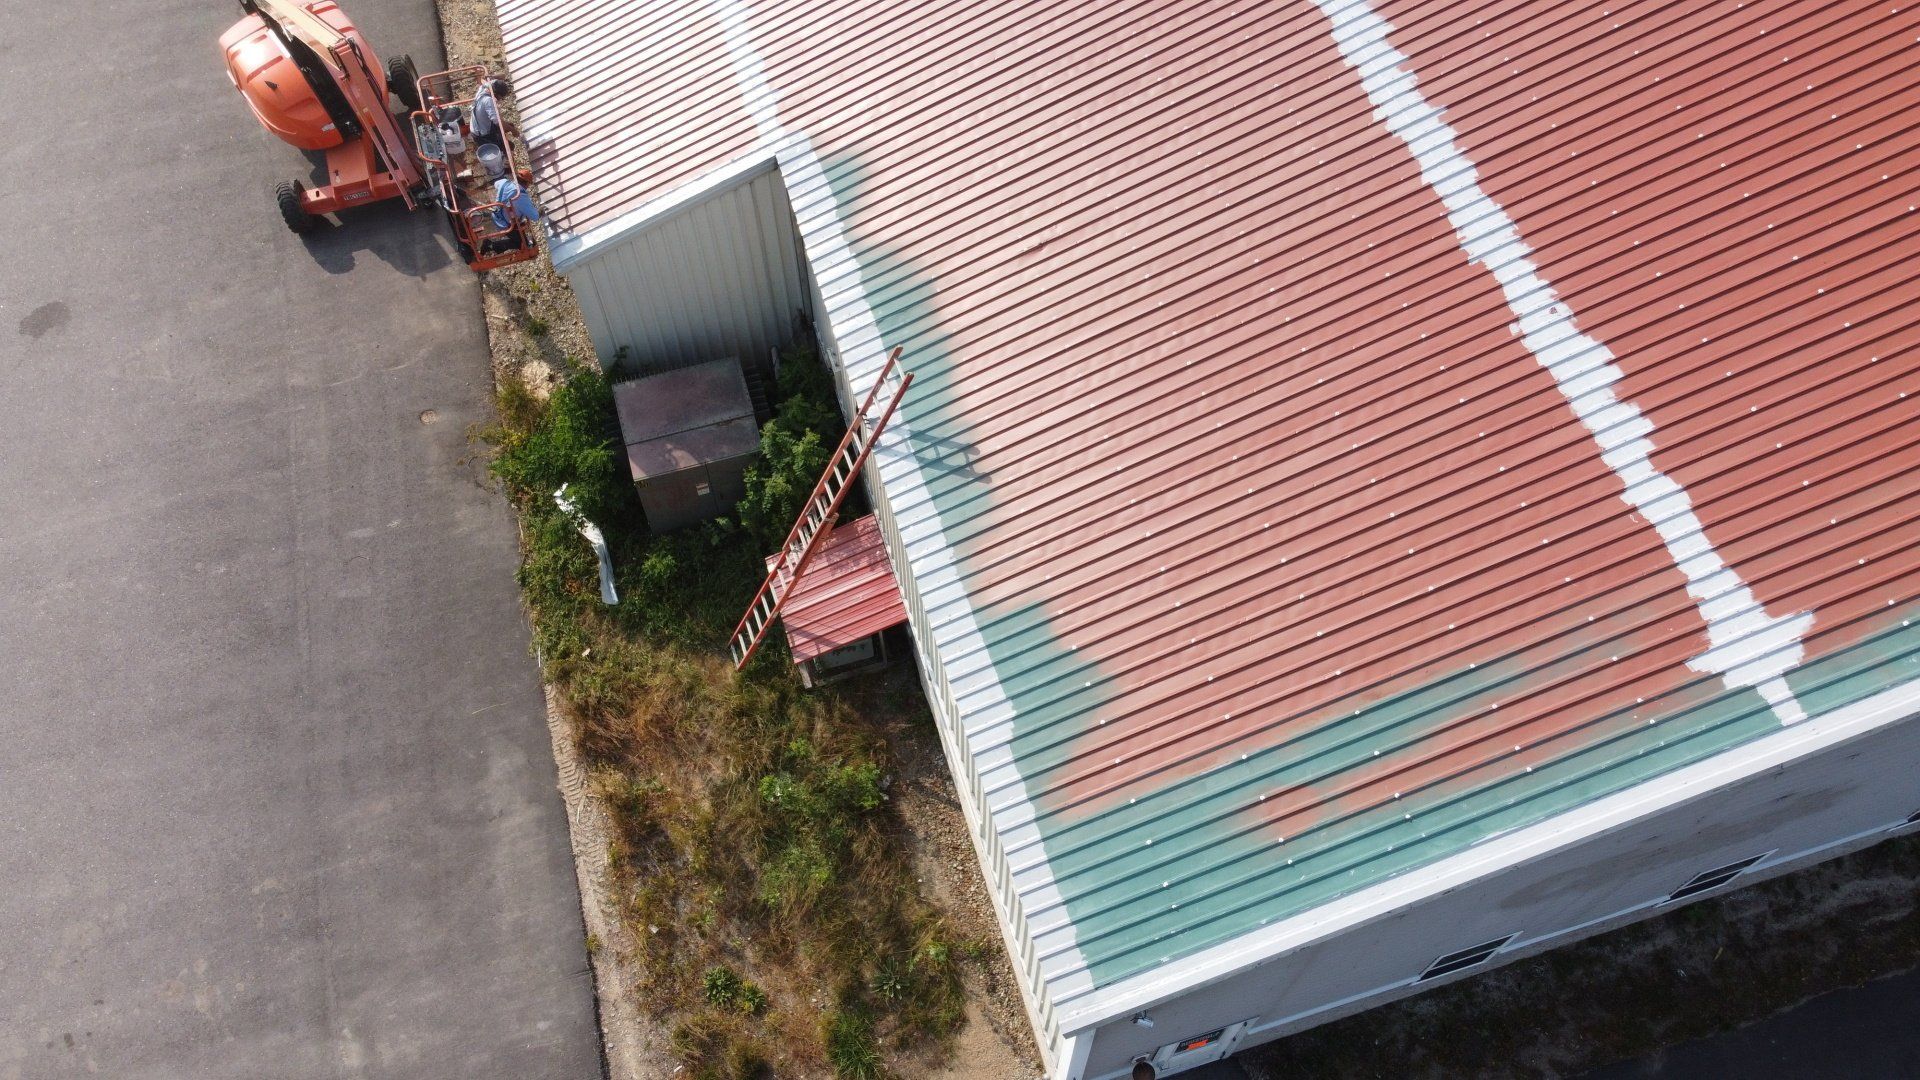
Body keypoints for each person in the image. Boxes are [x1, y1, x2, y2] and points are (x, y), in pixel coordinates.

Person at [470, 77, 513, 153]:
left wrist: (509, 127)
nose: (499, 100)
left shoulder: (483, 88)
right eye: (500, 98)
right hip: (481, 135)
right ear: (495, 93)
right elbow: (497, 122)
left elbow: (490, 81)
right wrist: (514, 131)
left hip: (480, 125)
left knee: (509, 125)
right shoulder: (488, 101)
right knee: (509, 147)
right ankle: (504, 159)